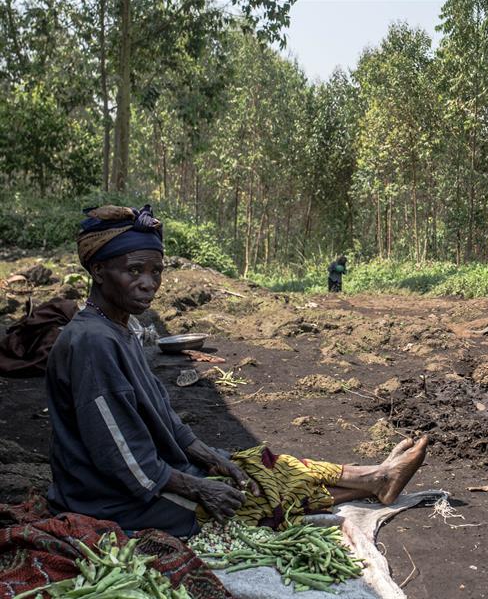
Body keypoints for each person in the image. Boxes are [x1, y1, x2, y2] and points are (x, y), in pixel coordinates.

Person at [45, 205, 428, 537]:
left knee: (259, 465)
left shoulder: (118, 329)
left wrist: (206, 455)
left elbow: (160, 413)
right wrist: (196, 487)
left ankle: (374, 476)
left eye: (156, 272)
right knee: (246, 502)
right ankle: (375, 483)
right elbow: (119, 455)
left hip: (147, 471)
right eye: (134, 271)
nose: (149, 284)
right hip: (113, 497)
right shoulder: (92, 343)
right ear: (98, 271)